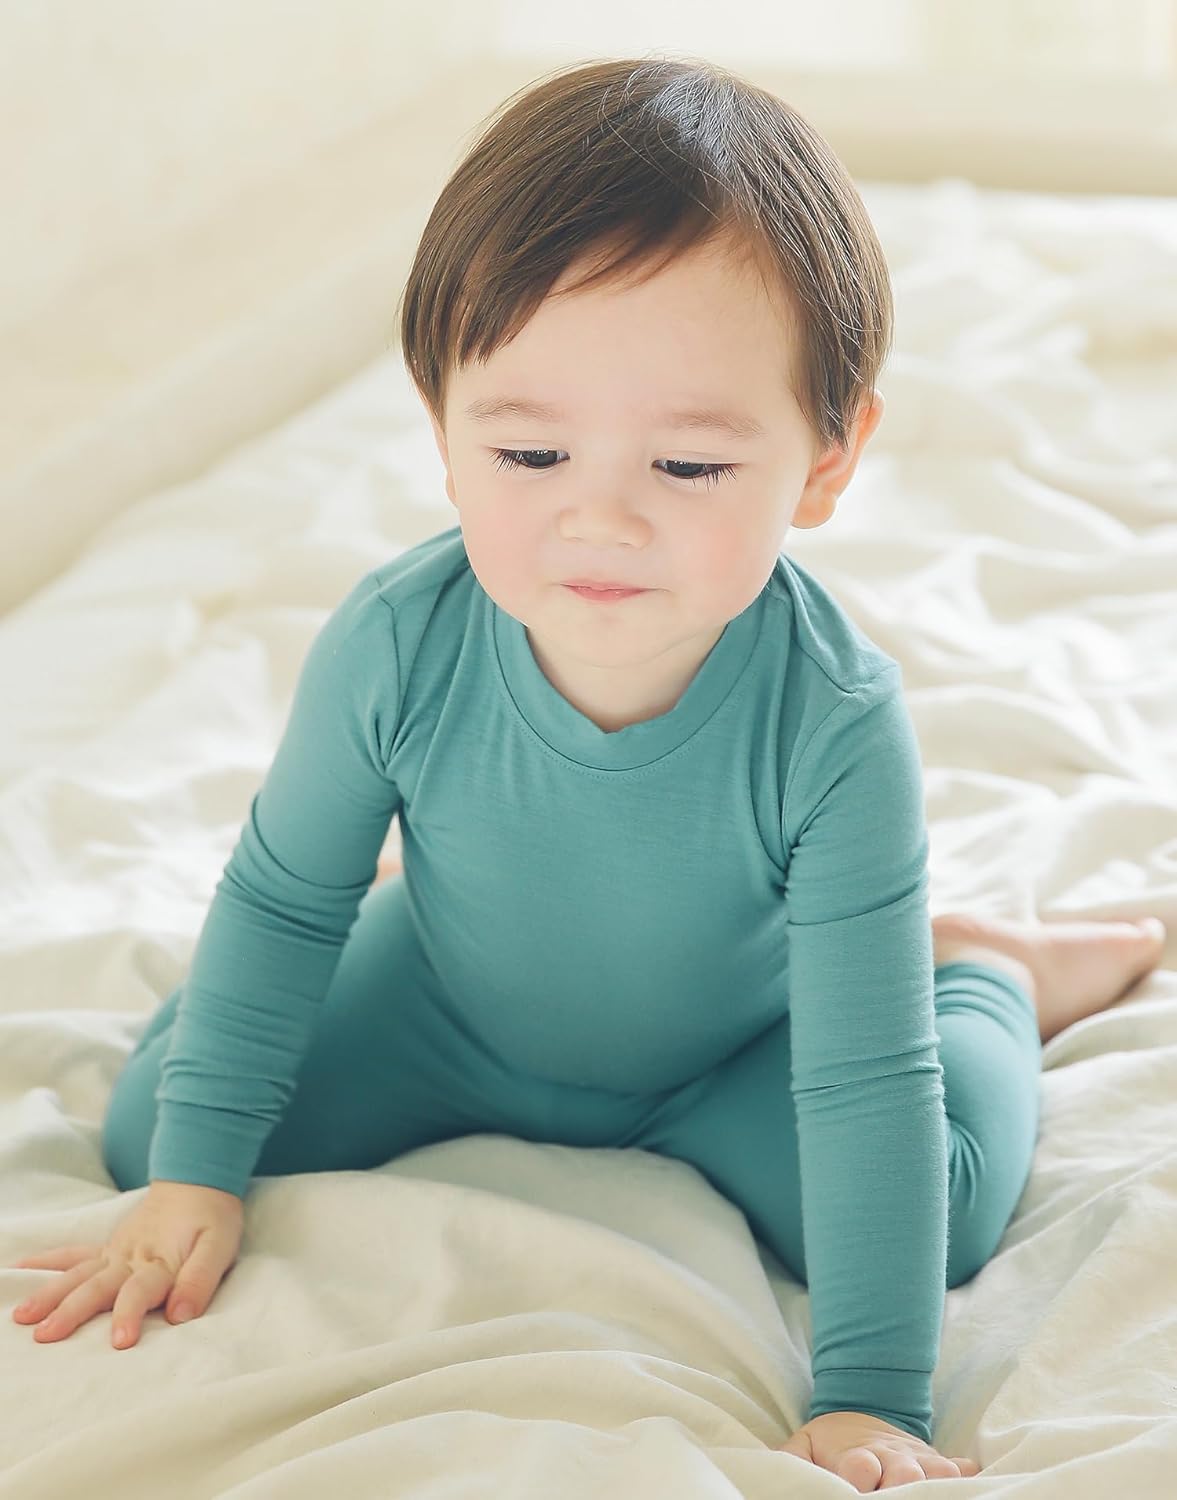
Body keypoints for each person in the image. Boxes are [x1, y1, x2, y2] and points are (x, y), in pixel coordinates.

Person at [11, 55, 1167, 1493]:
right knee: (157, 1131)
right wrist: (195, 1173)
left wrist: (870, 1395)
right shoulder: (394, 642)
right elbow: (281, 900)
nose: (600, 518)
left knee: (939, 1212)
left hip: (732, 1045)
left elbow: (864, 1076)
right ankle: (433, 883)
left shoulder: (832, 719)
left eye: (688, 468)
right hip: (443, 1007)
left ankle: (986, 968)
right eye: (531, 451)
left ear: (826, 459)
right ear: (442, 432)